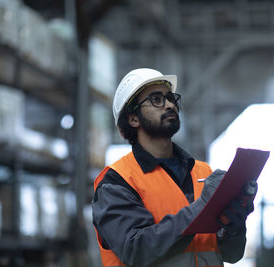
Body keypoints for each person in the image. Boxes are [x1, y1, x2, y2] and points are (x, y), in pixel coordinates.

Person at [92, 68, 257, 267]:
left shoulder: (203, 172)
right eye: (156, 99)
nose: (169, 104)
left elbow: (231, 254)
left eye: (170, 98)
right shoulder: (117, 181)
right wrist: (202, 207)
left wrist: (234, 226)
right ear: (133, 119)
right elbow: (136, 249)